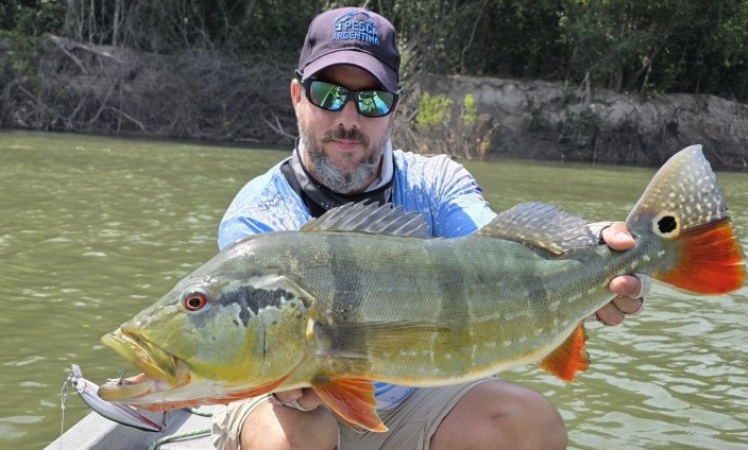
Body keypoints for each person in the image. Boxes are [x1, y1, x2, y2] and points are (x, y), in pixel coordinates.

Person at [211, 7, 648, 450]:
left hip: (415, 400)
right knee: (292, 438)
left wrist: (601, 250)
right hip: (301, 408)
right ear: (297, 96)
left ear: (394, 109)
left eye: (373, 100)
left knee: (529, 424)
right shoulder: (257, 217)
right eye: (328, 93)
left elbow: (504, 253)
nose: (348, 118)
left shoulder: (437, 182)